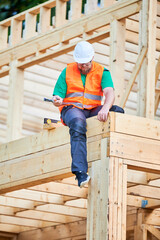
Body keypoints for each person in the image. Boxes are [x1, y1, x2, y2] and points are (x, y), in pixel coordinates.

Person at [52, 41, 124, 188]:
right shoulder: (67, 71)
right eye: (80, 64)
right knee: (78, 123)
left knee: (117, 111)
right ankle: (80, 172)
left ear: (92, 59)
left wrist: (105, 108)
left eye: (85, 63)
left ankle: (119, 156)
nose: (83, 66)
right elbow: (57, 96)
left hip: (92, 109)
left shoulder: (102, 71)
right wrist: (57, 100)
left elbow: (110, 93)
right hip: (72, 109)